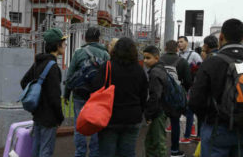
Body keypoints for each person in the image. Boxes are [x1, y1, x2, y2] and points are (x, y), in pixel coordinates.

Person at [189, 18, 243, 156]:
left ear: (221, 37)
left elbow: (195, 100)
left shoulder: (211, 62)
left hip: (216, 128)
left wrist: (208, 118)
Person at [89, 38, 148, 157]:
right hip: (132, 117)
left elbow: (95, 89)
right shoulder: (139, 70)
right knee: (128, 152)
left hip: (109, 117)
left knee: (107, 152)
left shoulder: (107, 67)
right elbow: (143, 94)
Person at [20, 28, 67, 157]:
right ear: (57, 45)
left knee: (36, 149)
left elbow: (24, 82)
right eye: (63, 43)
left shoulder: (38, 63)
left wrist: (37, 97)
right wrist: (60, 117)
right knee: (46, 151)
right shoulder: (53, 67)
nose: (65, 46)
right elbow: (54, 97)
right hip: (49, 118)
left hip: (38, 114)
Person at [64, 27, 109, 157]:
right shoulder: (105, 54)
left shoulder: (78, 53)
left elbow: (70, 75)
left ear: (84, 38)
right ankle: (94, 153)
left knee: (79, 125)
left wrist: (66, 94)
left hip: (79, 94)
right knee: (96, 124)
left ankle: (80, 153)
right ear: (99, 39)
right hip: (97, 96)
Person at [161, 40, 191, 157]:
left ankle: (159, 149)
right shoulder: (182, 62)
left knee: (159, 124)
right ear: (177, 49)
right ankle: (174, 150)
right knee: (175, 123)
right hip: (175, 98)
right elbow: (188, 81)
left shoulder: (159, 60)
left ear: (165, 48)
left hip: (161, 97)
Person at [143, 45, 168, 157]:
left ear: (156, 58)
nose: (145, 61)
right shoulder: (161, 69)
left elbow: (155, 96)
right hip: (161, 109)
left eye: (148, 58)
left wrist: (149, 114)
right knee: (151, 141)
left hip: (158, 112)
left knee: (158, 143)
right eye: (144, 58)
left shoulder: (155, 73)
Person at [177, 36, 203, 143]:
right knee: (187, 111)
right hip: (182, 86)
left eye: (182, 41)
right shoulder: (178, 55)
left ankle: (188, 136)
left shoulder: (194, 55)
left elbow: (201, 69)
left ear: (187, 43)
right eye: (178, 42)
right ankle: (193, 133)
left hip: (192, 87)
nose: (179, 44)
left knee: (190, 111)